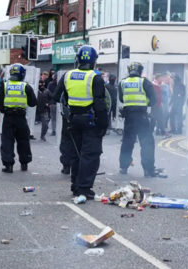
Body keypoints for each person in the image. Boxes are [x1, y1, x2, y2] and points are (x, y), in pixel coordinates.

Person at [53, 45, 107, 201]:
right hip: (90, 120)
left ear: (77, 59)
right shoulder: (95, 77)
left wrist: (68, 108)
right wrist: (103, 124)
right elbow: (100, 103)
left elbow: (56, 97)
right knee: (90, 154)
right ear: (94, 61)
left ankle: (76, 186)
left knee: (76, 154)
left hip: (73, 120)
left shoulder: (68, 75)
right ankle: (84, 188)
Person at [118, 61, 160, 177]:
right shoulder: (144, 82)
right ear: (140, 71)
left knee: (127, 142)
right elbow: (154, 100)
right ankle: (148, 170)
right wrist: (145, 102)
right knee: (146, 143)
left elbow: (122, 99)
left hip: (129, 117)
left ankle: (123, 168)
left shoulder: (123, 83)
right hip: (141, 117)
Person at [0, 63, 37, 173]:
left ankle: (8, 165)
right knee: (23, 140)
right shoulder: (25, 86)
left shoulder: (4, 85)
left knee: (7, 141)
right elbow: (33, 103)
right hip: (21, 117)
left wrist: (5, 110)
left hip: (8, 117)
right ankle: (24, 163)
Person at [151, 74, 171, 138]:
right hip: (154, 105)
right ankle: (150, 134)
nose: (161, 79)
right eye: (160, 78)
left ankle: (163, 133)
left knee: (160, 119)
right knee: (154, 120)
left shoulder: (160, 85)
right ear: (157, 78)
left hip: (159, 104)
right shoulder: (153, 85)